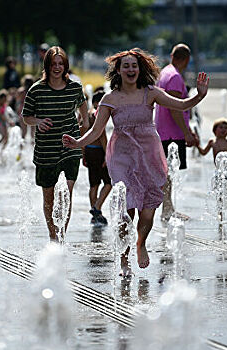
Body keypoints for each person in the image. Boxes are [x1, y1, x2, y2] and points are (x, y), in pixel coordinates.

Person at [62, 48, 209, 274]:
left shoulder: (150, 93)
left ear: (139, 69)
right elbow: (96, 130)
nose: (131, 69)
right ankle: (123, 256)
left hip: (149, 154)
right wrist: (77, 142)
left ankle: (140, 243)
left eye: (134, 65)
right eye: (126, 66)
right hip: (122, 156)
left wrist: (199, 95)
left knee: (148, 210)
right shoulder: (110, 99)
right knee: (126, 209)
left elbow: (179, 105)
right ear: (118, 71)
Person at [22, 46, 89, 241]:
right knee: (49, 198)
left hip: (69, 148)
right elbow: (26, 117)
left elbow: (83, 105)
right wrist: (38, 121)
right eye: (54, 64)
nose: (57, 68)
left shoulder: (75, 88)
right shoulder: (37, 90)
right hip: (45, 151)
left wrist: (84, 125)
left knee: (65, 195)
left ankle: (61, 237)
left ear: (66, 66)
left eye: (61, 64)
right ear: (47, 66)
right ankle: (53, 235)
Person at [155, 43, 199, 222]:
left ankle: (168, 207)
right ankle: (166, 209)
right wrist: (186, 132)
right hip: (172, 133)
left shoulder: (165, 72)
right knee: (169, 173)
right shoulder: (174, 77)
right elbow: (175, 109)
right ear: (187, 60)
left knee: (168, 172)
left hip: (164, 130)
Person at [84, 89, 111, 226]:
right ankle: (97, 207)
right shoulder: (98, 114)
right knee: (109, 182)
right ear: (96, 103)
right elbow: (102, 136)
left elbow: (82, 132)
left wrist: (83, 153)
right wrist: (107, 154)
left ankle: (95, 215)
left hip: (88, 150)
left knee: (94, 183)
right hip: (98, 151)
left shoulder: (86, 114)